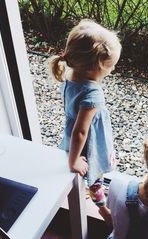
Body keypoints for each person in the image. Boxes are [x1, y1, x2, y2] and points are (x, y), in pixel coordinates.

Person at [49, 19, 121, 185]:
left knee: (84, 171)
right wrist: (73, 162)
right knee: (93, 171)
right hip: (88, 141)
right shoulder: (93, 93)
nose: (113, 69)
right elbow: (80, 132)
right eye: (111, 65)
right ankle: (98, 201)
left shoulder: (69, 77)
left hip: (71, 138)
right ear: (97, 66)